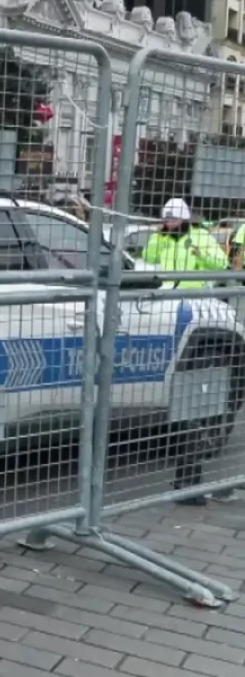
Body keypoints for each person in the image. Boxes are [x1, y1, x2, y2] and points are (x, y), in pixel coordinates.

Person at [142, 198, 230, 507]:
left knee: (194, 382)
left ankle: (191, 462)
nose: (168, 223)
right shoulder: (159, 238)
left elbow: (220, 266)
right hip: (164, 308)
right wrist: (158, 239)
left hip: (195, 309)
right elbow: (147, 260)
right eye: (165, 219)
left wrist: (198, 252)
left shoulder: (201, 237)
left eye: (172, 219)